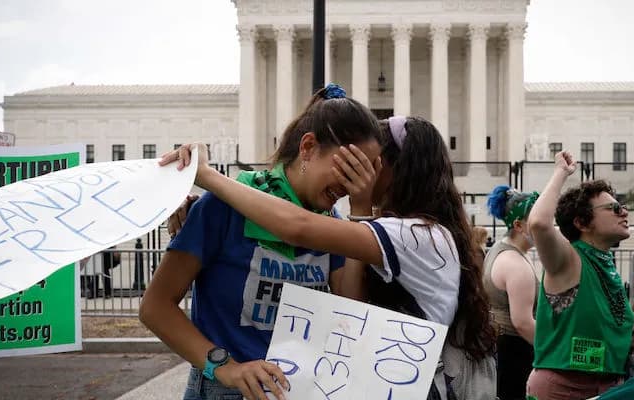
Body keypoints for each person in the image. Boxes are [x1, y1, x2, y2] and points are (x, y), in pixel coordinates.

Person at [167, 115, 497, 400]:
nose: (356, 173)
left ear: (395, 170)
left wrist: (210, 177)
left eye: (369, 162)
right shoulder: (394, 231)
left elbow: (297, 226)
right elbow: (351, 309)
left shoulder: (415, 234)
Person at [140, 83, 383, 400]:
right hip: (227, 389)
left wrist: (361, 209)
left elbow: (350, 309)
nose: (353, 183)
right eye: (349, 167)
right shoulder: (221, 207)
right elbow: (155, 307)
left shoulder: (332, 227)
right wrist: (226, 367)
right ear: (307, 148)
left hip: (297, 389)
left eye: (366, 172)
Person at [526, 151, 634, 400]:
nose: (624, 212)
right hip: (564, 389)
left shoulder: (604, 261)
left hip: (608, 386)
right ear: (582, 223)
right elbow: (540, 224)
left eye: (623, 206)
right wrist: (561, 172)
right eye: (614, 208)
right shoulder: (570, 259)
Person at [483, 185, 540, 400]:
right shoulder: (515, 263)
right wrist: (555, 352)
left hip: (502, 350)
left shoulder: (500, 249)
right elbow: (523, 323)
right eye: (538, 221)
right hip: (515, 354)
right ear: (519, 225)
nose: (546, 225)